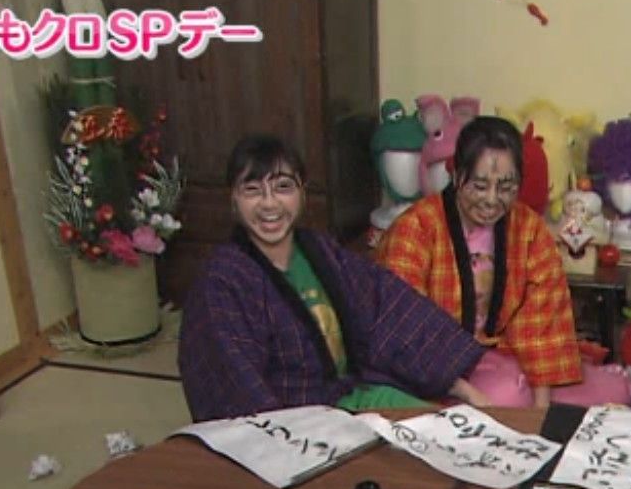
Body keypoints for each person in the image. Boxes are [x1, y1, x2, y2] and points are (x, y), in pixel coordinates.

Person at [179, 135, 493, 422]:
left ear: (302, 191)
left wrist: (460, 387)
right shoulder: (222, 282)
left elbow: (387, 309)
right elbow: (236, 384)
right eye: (252, 190)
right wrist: (282, 442)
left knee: (450, 432)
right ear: (233, 198)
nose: (269, 204)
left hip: (355, 397)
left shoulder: (321, 252)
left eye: (283, 187)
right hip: (297, 423)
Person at [376, 115, 631, 408]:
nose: (492, 200)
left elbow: (542, 323)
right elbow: (403, 330)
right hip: (435, 368)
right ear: (457, 175)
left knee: (618, 388)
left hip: (503, 353)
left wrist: (540, 411)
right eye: (480, 186)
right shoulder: (414, 229)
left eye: (506, 187)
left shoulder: (528, 228)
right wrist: (469, 394)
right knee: (508, 396)